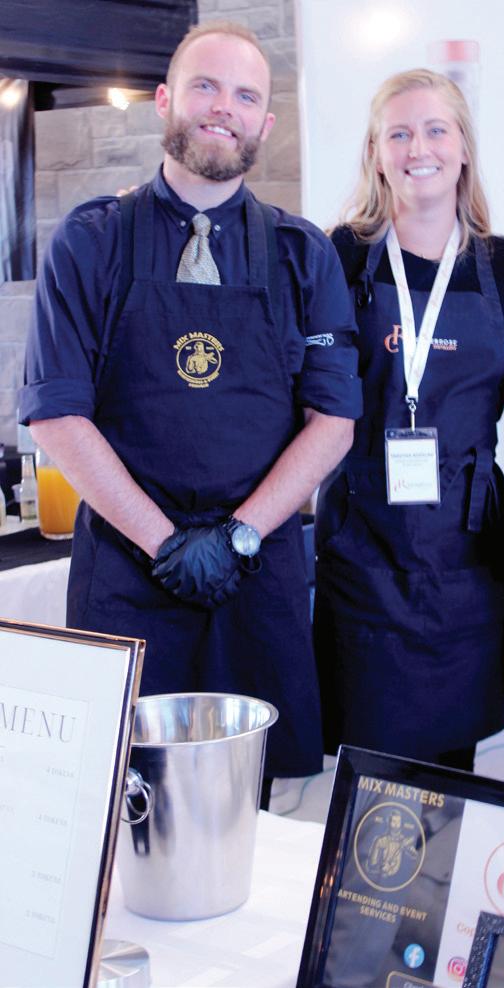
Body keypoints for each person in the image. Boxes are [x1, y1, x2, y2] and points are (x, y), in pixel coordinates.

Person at [19, 21, 362, 786]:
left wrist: (238, 537)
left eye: (244, 95)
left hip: (257, 576)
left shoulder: (304, 254)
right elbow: (56, 415)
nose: (222, 107)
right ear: (165, 99)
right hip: (128, 579)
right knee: (127, 799)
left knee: (264, 805)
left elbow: (333, 422)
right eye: (204, 86)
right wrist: (165, 544)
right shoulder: (90, 242)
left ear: (264, 124)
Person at [314, 69, 504, 771]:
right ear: (376, 152)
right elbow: (306, 395)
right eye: (400, 134)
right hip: (364, 547)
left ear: (464, 147)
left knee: (452, 778)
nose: (420, 148)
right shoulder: (341, 255)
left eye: (436, 130)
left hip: (466, 555)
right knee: (369, 781)